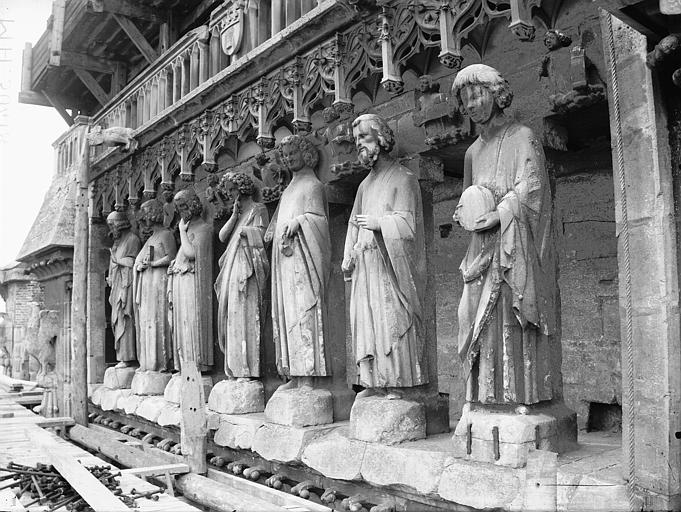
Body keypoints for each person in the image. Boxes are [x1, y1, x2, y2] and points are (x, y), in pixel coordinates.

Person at [452, 64, 558, 406]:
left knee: (508, 323)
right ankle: (483, 399)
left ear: (497, 95)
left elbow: (532, 189)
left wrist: (498, 213)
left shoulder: (521, 136)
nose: (470, 104)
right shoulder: (472, 152)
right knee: (470, 318)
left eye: (477, 94)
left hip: (512, 245)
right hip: (479, 250)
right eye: (465, 99)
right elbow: (467, 196)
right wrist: (464, 215)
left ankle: (517, 401)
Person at [342, 113, 428, 397]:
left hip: (389, 265)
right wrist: (349, 253)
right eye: (356, 140)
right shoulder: (364, 186)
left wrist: (381, 224)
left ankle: (398, 384)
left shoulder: (403, 178)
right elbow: (354, 223)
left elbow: (408, 226)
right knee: (368, 325)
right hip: (366, 266)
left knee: (390, 322)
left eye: (364, 138)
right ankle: (374, 382)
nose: (359, 145)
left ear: (381, 138)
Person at [265, 134, 331, 389]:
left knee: (304, 313)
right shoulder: (288, 190)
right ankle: (294, 373)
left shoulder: (313, 186)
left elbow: (320, 222)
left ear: (306, 154)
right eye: (285, 156)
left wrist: (300, 222)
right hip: (285, 264)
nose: (288, 159)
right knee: (287, 315)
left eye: (293, 153)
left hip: (304, 263)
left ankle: (309, 376)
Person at [215, 172, 269, 379]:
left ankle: (247, 370)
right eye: (227, 191)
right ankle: (233, 369)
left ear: (243, 188)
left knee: (244, 315)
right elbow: (222, 237)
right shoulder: (238, 213)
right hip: (231, 267)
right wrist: (235, 216)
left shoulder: (258, 209)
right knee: (230, 316)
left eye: (232, 189)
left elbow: (263, 237)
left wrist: (247, 231)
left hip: (246, 269)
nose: (229, 194)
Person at [167, 188, 214, 372]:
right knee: (181, 324)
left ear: (193, 205)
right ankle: (184, 366)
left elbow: (191, 253)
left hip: (191, 286)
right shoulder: (189, 229)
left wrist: (181, 231)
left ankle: (194, 365)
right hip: (181, 283)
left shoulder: (203, 228)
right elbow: (182, 256)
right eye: (178, 208)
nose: (181, 211)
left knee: (189, 323)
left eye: (183, 206)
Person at [133, 199, 177, 372]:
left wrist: (154, 264)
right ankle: (147, 362)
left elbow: (171, 257)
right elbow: (138, 260)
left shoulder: (166, 235)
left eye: (146, 214)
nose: (145, 219)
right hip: (147, 285)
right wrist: (140, 265)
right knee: (147, 322)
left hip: (159, 283)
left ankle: (159, 363)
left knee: (158, 320)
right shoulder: (150, 238)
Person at [106, 211, 141, 368]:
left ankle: (127, 357)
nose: (111, 228)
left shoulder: (132, 239)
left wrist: (119, 261)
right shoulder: (117, 243)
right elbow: (113, 263)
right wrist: (111, 277)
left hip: (126, 286)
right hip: (117, 285)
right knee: (117, 320)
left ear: (120, 224)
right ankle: (121, 356)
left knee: (125, 319)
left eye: (112, 225)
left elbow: (133, 261)